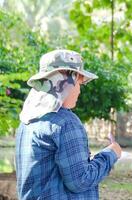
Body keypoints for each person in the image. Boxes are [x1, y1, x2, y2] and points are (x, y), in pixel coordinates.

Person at [15, 49, 122, 199]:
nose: (79, 91)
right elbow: (81, 181)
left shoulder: (26, 121)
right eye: (78, 84)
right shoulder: (65, 123)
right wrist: (111, 153)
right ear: (65, 82)